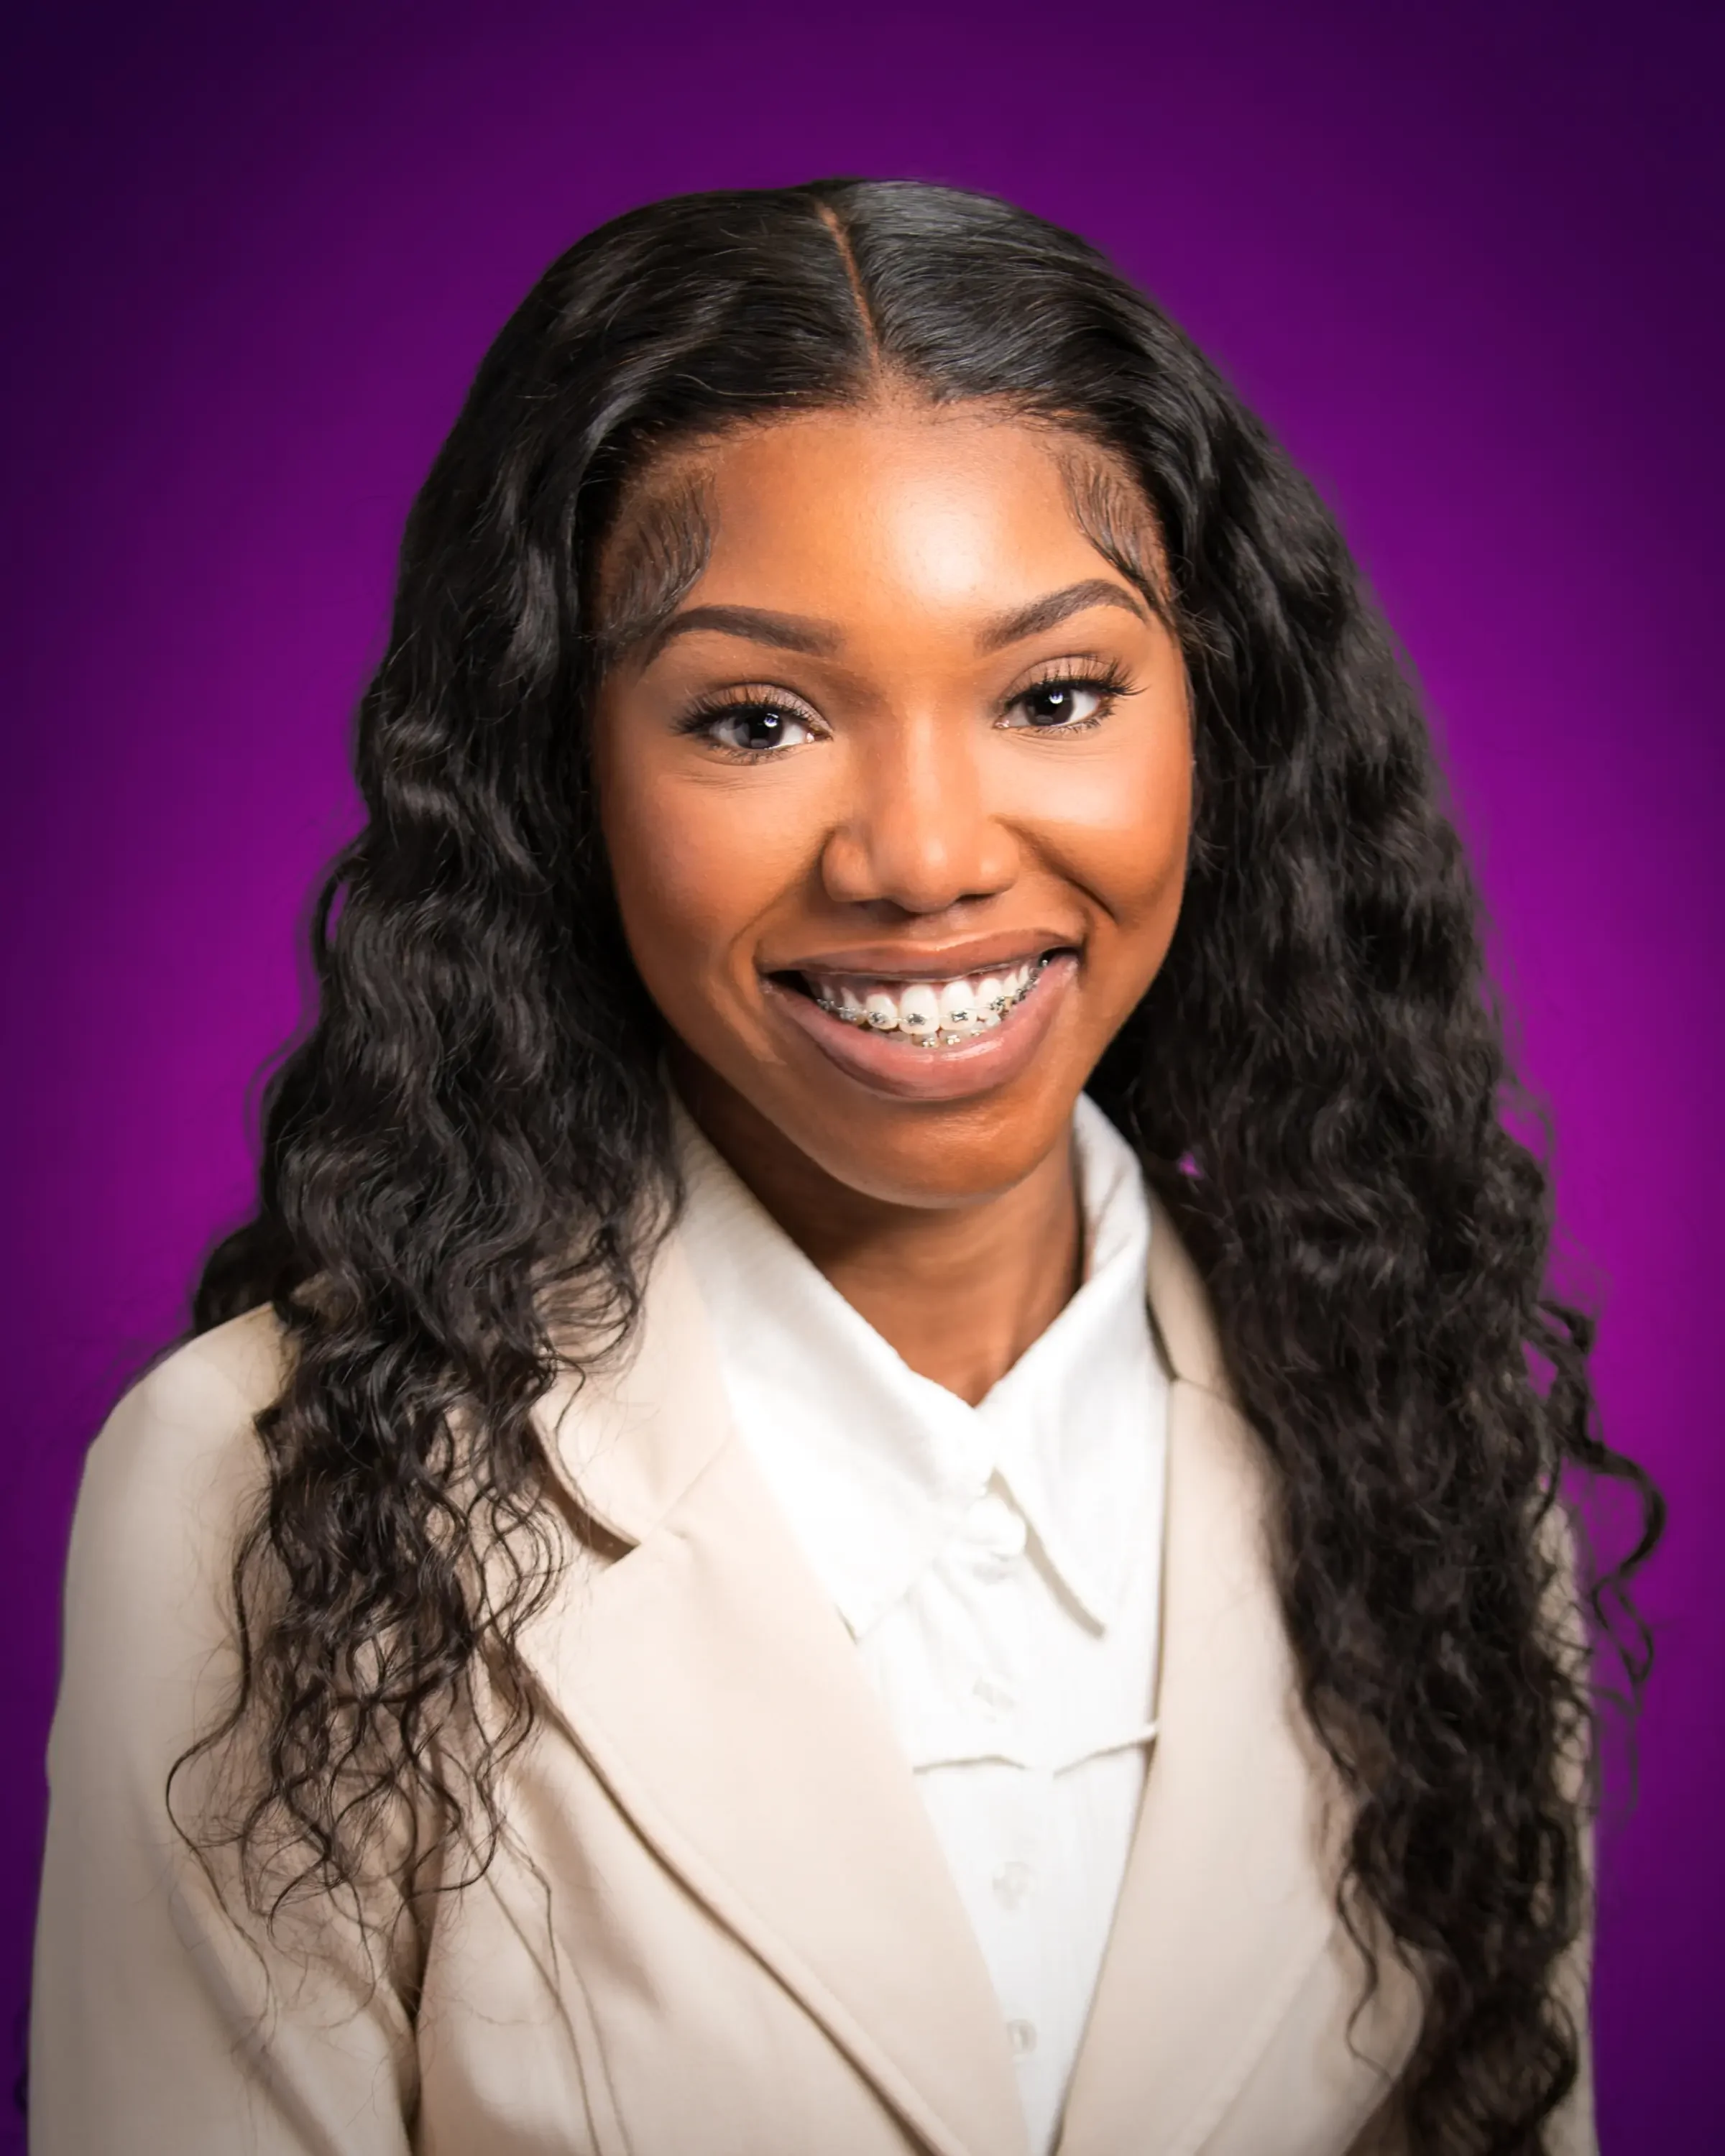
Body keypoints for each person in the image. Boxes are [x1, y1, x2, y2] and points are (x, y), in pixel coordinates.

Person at [29, 178, 1660, 2156]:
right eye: (758, 717)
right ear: (569, 774)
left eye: (1055, 695)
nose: (920, 855)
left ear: (1215, 725)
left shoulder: (1427, 1438)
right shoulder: (251, 1495)